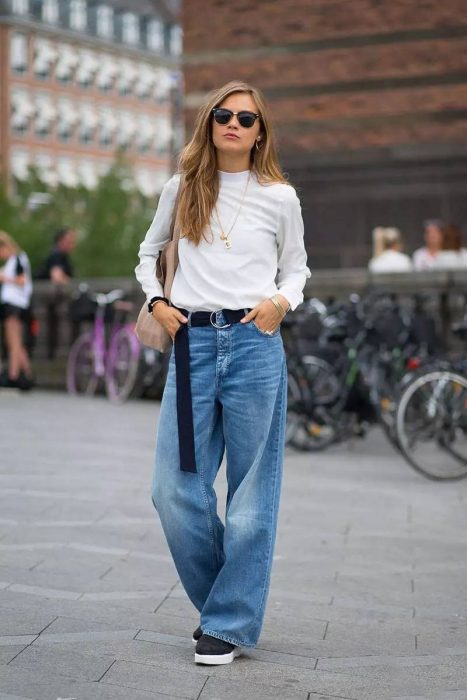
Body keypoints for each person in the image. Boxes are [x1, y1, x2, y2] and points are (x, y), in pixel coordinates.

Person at [135, 80, 310, 665]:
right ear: (208, 122)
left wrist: (279, 305)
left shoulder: (280, 197)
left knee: (252, 496)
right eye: (223, 114)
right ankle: (227, 605)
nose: (233, 123)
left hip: (254, 344)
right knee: (172, 488)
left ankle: (227, 622)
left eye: (246, 118)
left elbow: (297, 270)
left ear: (261, 132)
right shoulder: (181, 188)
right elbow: (146, 251)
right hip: (192, 345)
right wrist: (158, 301)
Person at [35, 227, 77, 359]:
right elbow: (57, 277)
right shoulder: (57, 255)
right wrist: (72, 284)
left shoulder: (60, 256)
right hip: (47, 301)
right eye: (69, 241)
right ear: (60, 241)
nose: (72, 244)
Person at [0, 231, 33, 390]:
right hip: (15, 304)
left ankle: (13, 375)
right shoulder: (15, 260)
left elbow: (21, 280)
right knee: (16, 343)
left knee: (13, 342)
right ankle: (27, 375)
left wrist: (4, 278)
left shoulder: (18, 259)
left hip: (15, 304)